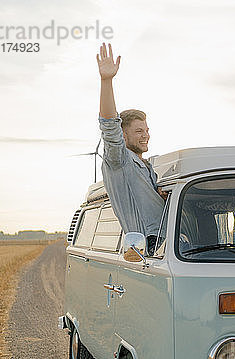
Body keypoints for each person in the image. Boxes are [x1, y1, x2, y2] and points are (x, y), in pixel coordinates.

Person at [96, 43, 166, 253]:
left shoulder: (146, 166)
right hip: (147, 248)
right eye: (138, 131)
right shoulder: (120, 160)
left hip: (168, 245)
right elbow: (109, 126)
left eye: (146, 130)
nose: (145, 135)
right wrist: (106, 81)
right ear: (123, 135)